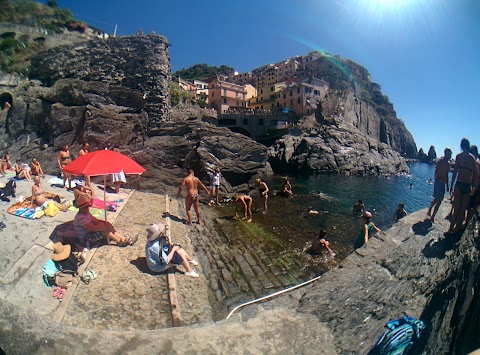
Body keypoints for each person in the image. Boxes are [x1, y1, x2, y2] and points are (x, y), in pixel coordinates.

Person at [73, 195, 137, 247]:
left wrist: (105, 223)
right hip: (86, 238)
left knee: (106, 226)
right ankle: (118, 241)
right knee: (104, 229)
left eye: (87, 207)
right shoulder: (81, 218)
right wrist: (104, 227)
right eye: (85, 207)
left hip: (90, 233)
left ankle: (123, 238)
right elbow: (91, 228)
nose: (87, 208)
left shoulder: (86, 214)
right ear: (80, 208)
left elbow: (96, 220)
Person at [448, 138, 478, 234]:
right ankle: (456, 231)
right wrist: (474, 187)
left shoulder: (459, 157)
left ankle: (450, 230)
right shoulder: (472, 158)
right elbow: (476, 175)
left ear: (461, 146)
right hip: (467, 186)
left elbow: (455, 173)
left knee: (456, 209)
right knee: (462, 211)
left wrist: (451, 186)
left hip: (459, 184)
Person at [427, 148, 452, 223]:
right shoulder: (447, 163)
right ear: (447, 154)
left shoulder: (440, 161)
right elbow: (446, 175)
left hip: (437, 181)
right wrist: (447, 186)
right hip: (441, 183)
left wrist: (436, 179)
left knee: (436, 198)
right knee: (439, 201)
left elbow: (436, 171)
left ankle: (429, 211)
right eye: (450, 154)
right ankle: (432, 217)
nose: (450, 155)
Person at [466, 145, 480, 225]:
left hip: (476, 187)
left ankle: (468, 223)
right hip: (476, 186)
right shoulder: (477, 161)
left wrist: (474, 188)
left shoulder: (476, 162)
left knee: (471, 206)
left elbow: (477, 176)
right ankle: (468, 222)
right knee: (472, 206)